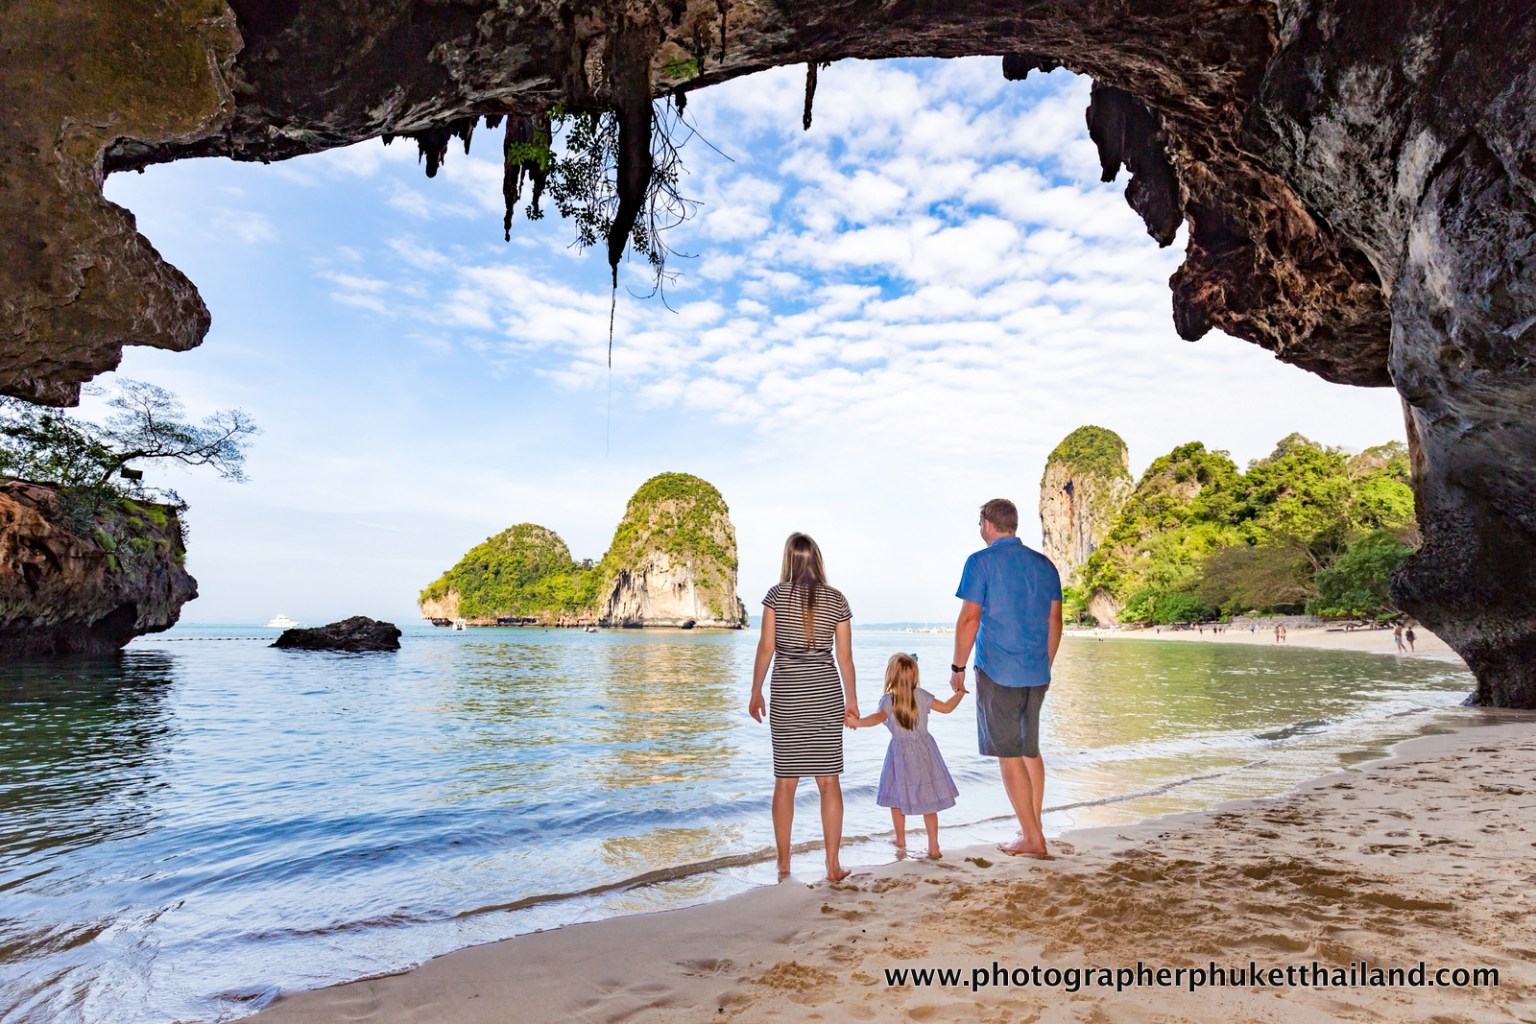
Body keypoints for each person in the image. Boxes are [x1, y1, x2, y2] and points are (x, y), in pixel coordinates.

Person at [950, 499, 1062, 857]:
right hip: (1036, 671)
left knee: (1009, 755)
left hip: (999, 671)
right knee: (1030, 750)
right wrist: (1045, 663)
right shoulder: (1044, 565)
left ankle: (1032, 838)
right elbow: (1055, 622)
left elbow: (969, 619)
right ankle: (1033, 827)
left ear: (987, 523)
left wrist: (957, 667)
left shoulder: (980, 562)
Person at [748, 533, 858, 881]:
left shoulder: (776, 596)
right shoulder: (837, 599)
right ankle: (833, 865)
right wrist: (851, 701)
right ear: (817, 559)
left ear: (789, 560)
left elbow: (766, 647)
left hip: (788, 694)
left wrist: (756, 691)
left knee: (785, 781)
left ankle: (783, 863)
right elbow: (845, 658)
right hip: (826, 693)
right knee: (828, 781)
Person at [852, 652, 964, 859]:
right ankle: (934, 846)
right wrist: (959, 693)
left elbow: (876, 718)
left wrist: (858, 723)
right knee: (929, 801)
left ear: (890, 676)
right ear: (914, 675)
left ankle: (901, 839)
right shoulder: (921, 695)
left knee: (896, 798)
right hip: (926, 753)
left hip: (900, 756)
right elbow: (947, 708)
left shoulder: (888, 700)